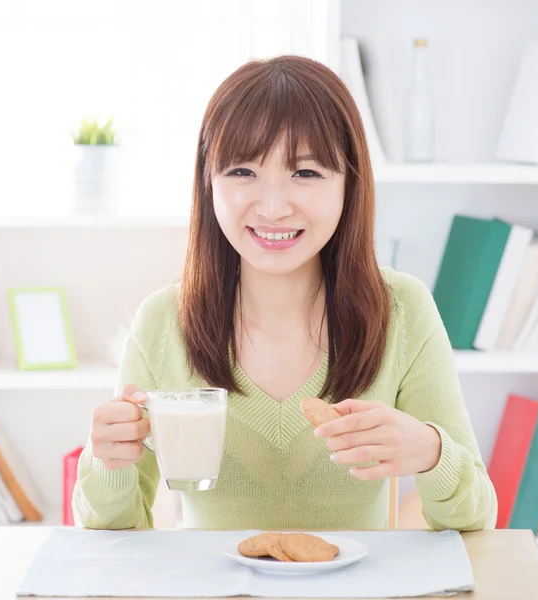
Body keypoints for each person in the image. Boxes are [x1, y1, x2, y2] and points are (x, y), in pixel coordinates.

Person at [72, 55, 497, 532]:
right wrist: (108, 461)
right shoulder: (163, 321)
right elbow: (114, 536)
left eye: (306, 173)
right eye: (241, 172)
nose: (273, 207)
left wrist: (431, 452)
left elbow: (476, 518)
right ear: (207, 183)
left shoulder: (401, 310)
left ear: (349, 185)